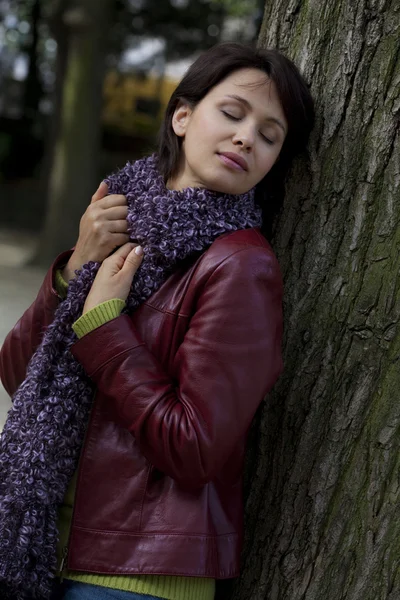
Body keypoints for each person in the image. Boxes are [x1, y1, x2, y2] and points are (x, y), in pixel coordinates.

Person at [0, 42, 314, 600]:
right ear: (183, 115)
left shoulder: (241, 264)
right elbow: (19, 374)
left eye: (270, 136)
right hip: (46, 547)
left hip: (135, 575)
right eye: (234, 113)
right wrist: (77, 265)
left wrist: (103, 330)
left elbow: (194, 448)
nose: (247, 137)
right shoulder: (121, 215)